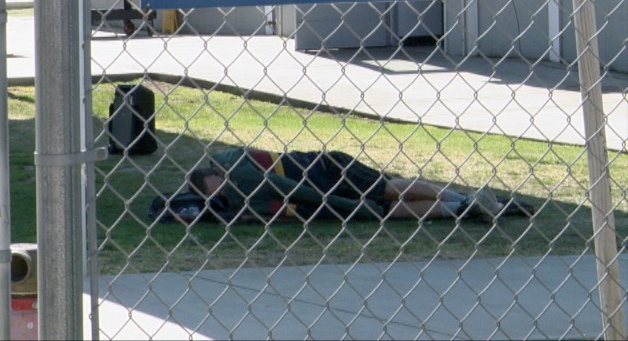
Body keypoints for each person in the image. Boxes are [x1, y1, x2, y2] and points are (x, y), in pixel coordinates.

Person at [163, 146, 534, 225]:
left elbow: (299, 192)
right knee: (391, 209)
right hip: (326, 186)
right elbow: (274, 209)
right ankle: (466, 208)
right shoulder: (233, 193)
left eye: (216, 186)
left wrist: (347, 207)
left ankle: (465, 199)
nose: (222, 191)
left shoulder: (235, 169)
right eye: (216, 194)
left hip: (328, 169)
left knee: (388, 189)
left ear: (213, 174)